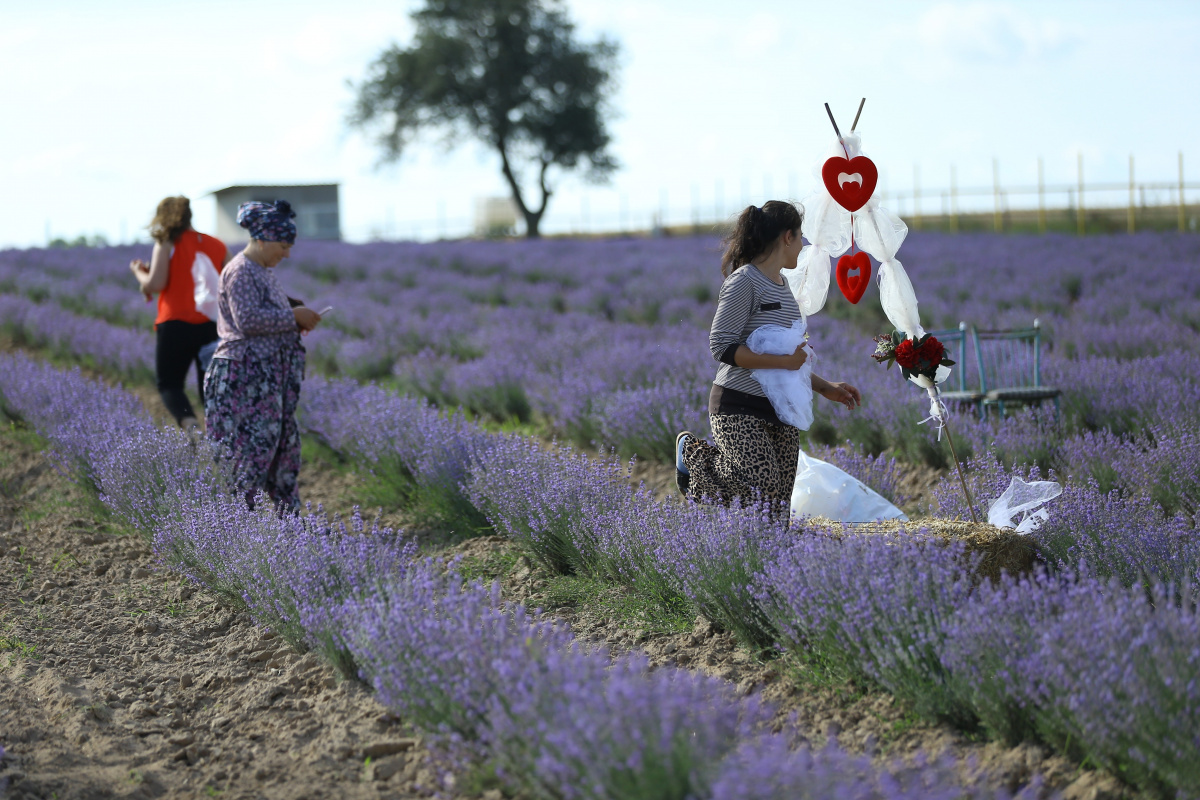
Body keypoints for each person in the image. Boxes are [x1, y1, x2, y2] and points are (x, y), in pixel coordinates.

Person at [676, 201, 861, 510]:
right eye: (800, 236)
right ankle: (694, 458)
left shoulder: (784, 286)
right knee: (760, 485)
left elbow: (790, 360)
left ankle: (758, 556)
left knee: (775, 508)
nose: (803, 245)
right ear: (787, 237)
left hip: (781, 407)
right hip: (738, 404)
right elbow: (721, 346)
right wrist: (783, 362)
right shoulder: (744, 281)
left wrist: (827, 387)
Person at [204, 200, 321, 512]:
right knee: (249, 457)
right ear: (263, 238)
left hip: (265, 378)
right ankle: (237, 534)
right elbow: (249, 321)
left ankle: (292, 528)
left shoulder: (261, 270)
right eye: (283, 246)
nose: (287, 253)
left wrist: (294, 315)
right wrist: (293, 317)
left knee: (282, 452)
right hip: (244, 378)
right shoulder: (241, 271)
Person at [129, 196, 228, 429]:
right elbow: (233, 279)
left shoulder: (167, 242)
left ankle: (189, 422)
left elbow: (156, 283)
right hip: (210, 325)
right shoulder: (217, 244)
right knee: (211, 387)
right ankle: (222, 439)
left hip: (175, 324)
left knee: (170, 384)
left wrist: (138, 273)